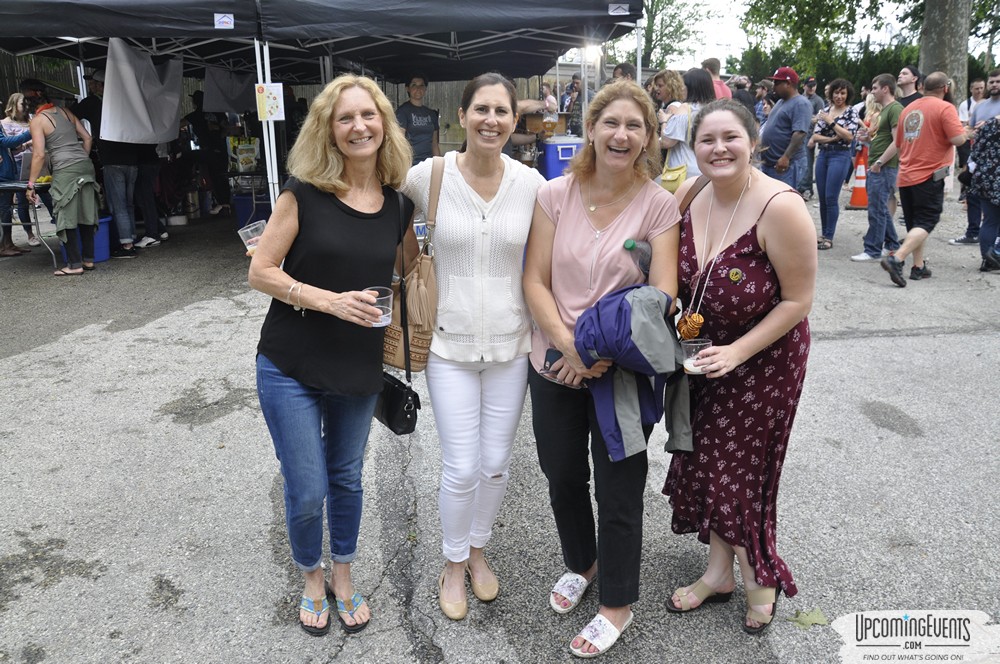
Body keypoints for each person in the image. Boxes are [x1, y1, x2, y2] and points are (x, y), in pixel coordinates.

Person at [247, 74, 418, 636]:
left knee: (346, 477)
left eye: (368, 115)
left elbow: (406, 270)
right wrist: (327, 299)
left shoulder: (399, 206)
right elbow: (260, 271)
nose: (358, 126)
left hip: (357, 364)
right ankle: (311, 577)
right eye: (345, 118)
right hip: (290, 363)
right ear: (328, 129)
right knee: (307, 487)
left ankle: (343, 574)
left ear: (384, 125)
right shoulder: (302, 193)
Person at [523, 80, 680, 658]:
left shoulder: (659, 205)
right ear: (590, 129)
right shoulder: (555, 194)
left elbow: (662, 295)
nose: (621, 134)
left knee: (619, 488)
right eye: (611, 122)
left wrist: (594, 355)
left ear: (649, 137)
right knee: (561, 473)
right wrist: (569, 348)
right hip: (553, 361)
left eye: (635, 125)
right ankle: (582, 562)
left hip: (621, 371)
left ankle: (617, 601)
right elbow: (534, 280)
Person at [663, 98, 816, 635]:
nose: (719, 148)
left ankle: (759, 578)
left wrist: (737, 352)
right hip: (701, 356)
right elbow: (666, 268)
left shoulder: (781, 207)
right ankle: (718, 573)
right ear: (694, 147)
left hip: (765, 362)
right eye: (707, 139)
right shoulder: (690, 193)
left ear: (753, 143)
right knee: (708, 461)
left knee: (743, 472)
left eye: (731, 137)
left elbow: (798, 301)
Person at [401, 72, 546, 622]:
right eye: (480, 109)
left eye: (501, 111)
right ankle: (453, 561)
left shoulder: (532, 184)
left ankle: (478, 550)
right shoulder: (428, 176)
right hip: (448, 346)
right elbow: (371, 207)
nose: (491, 120)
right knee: (462, 467)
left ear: (514, 120)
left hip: (511, 345)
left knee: (496, 465)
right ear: (461, 116)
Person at [881, 72, 966, 287]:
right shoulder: (945, 108)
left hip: (906, 175)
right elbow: (957, 139)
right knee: (927, 221)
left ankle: (918, 267)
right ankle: (896, 259)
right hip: (929, 175)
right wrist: (967, 133)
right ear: (945, 88)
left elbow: (899, 144)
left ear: (922, 86)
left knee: (915, 224)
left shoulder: (908, 109)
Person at [23, 81, 101, 276]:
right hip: (85, 166)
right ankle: (88, 260)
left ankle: (74, 265)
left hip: (65, 170)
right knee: (86, 213)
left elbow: (39, 155)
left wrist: (31, 185)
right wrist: (80, 159)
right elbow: (87, 138)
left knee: (66, 216)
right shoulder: (66, 112)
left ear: (29, 102)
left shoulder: (38, 120)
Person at [853, 74, 903, 262]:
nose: (871, 92)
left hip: (884, 167)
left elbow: (897, 142)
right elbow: (884, 139)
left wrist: (880, 162)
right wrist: (868, 139)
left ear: (885, 89)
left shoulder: (895, 109)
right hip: (878, 165)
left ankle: (872, 249)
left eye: (875, 88)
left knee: (876, 209)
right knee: (880, 208)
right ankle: (891, 244)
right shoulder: (885, 110)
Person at [809, 78, 859, 249]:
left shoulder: (851, 112)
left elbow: (849, 136)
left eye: (843, 93)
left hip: (840, 155)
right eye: (836, 92)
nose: (839, 96)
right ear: (831, 93)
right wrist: (833, 138)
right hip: (824, 154)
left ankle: (829, 236)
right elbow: (815, 136)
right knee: (822, 197)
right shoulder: (825, 110)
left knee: (831, 197)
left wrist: (830, 122)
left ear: (847, 95)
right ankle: (824, 233)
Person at [965, 69, 1000, 271]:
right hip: (985, 168)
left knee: (992, 219)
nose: (994, 85)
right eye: (992, 81)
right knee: (990, 218)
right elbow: (968, 131)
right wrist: (976, 131)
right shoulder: (980, 106)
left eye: (998, 81)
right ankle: (988, 259)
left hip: (986, 167)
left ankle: (992, 258)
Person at [759, 67, 812, 189]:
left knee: (782, 198)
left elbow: (800, 133)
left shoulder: (800, 103)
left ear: (788, 83)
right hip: (771, 164)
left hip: (786, 165)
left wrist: (786, 157)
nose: (773, 86)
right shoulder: (780, 102)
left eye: (777, 83)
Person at [185, 90, 232, 217]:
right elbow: (227, 128)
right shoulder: (218, 113)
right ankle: (225, 204)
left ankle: (221, 203)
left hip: (208, 150)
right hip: (221, 149)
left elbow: (178, 125)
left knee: (187, 158)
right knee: (221, 176)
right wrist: (220, 136)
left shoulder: (195, 115)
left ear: (195, 102)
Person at [1, 93, 38, 255]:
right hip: (5, 171)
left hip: (9, 170)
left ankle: (8, 244)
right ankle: (4, 246)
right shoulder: (4, 123)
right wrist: (31, 132)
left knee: (7, 208)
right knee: (5, 208)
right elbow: (7, 142)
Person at [657, 70, 702, 186]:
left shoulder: (684, 108)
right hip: (700, 168)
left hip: (681, 170)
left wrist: (664, 121)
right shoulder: (708, 109)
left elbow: (667, 141)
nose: (681, 89)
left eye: (684, 86)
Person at [395, 74, 441, 165]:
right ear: (407, 88)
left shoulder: (431, 114)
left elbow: (434, 144)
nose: (418, 88)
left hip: (429, 164)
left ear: (425, 89)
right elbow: (399, 143)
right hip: (411, 164)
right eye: (414, 85)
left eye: (421, 85)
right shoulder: (402, 112)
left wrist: (440, 165)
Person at [798, 76, 826, 200]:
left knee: (808, 162)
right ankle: (799, 187)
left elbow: (821, 119)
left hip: (809, 134)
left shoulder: (818, 100)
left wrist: (814, 137)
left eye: (814, 85)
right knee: (798, 162)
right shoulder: (799, 98)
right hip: (798, 133)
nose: (812, 88)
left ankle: (807, 189)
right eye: (809, 86)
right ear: (804, 86)